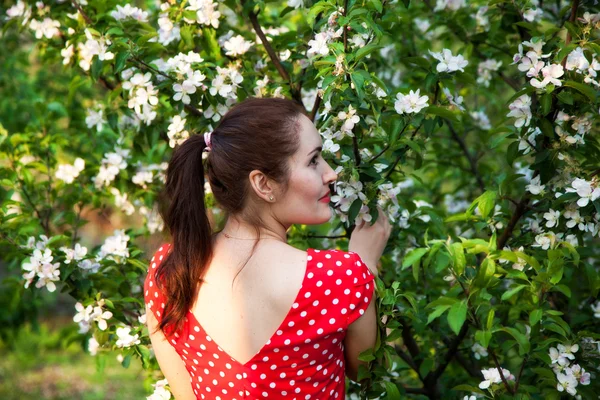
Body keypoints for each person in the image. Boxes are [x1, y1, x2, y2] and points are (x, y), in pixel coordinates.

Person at [144, 97, 392, 399]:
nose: (331, 174)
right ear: (263, 184)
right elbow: (367, 371)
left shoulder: (171, 272)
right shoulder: (340, 277)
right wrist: (366, 264)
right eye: (313, 160)